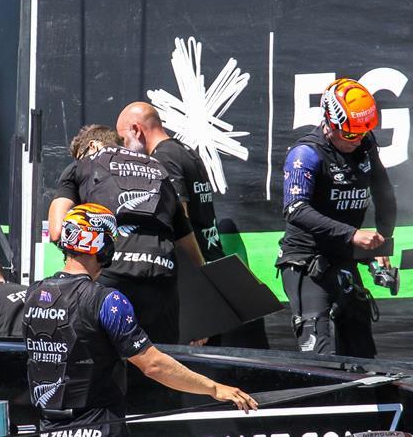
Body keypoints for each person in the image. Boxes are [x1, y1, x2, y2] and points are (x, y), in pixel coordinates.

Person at [24, 204, 257, 436]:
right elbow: (153, 365)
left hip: (48, 428)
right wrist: (214, 388)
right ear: (100, 246)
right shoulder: (106, 300)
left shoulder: (33, 295)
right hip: (98, 427)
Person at [116, 102, 269, 348]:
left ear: (136, 130)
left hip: (194, 280)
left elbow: (179, 224)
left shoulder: (162, 159)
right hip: (211, 269)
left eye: (124, 139)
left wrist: (196, 313)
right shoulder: (186, 151)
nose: (125, 147)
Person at [47, 125, 204, 344]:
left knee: (102, 359)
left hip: (112, 273)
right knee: (159, 362)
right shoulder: (158, 169)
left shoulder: (84, 164)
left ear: (92, 146)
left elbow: (56, 231)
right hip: (162, 276)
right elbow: (190, 247)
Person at [275, 78, 397, 357]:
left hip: (344, 259)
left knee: (362, 353)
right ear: (329, 122)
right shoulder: (305, 154)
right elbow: (295, 209)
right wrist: (353, 234)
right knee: (319, 354)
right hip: (308, 262)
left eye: (362, 133)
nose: (356, 141)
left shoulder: (365, 143)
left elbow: (384, 192)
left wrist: (384, 242)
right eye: (349, 135)